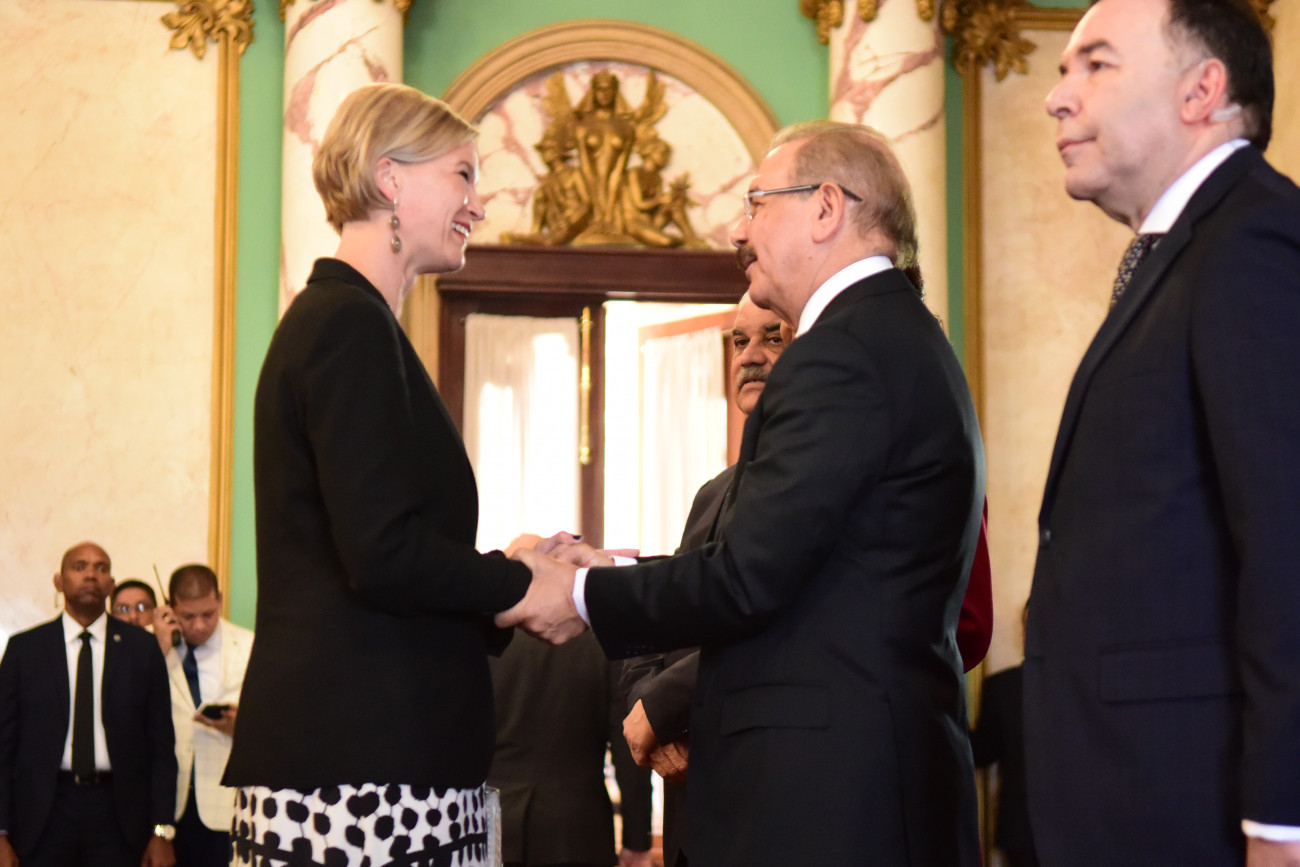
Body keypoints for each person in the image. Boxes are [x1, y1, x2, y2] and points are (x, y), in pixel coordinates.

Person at [501, 120, 985, 866]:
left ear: (826, 208)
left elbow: (746, 577)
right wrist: (610, 568)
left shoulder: (842, 352)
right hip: (858, 785)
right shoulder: (890, 334)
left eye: (757, 203)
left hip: (836, 800)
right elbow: (794, 562)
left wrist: (580, 593)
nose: (737, 229)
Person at [222, 83, 531, 867]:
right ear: (389, 177)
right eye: (463, 174)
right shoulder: (347, 325)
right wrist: (521, 584)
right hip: (358, 776)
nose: (479, 204)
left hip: (370, 764)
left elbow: (378, 550)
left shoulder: (356, 323)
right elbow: (384, 552)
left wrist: (509, 575)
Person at [1025, 0, 1300, 863]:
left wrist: (1283, 821)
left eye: (1096, 64)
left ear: (1200, 91)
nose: (1058, 96)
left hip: (1199, 812)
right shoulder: (1182, 252)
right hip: (1132, 795)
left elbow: (1288, 544)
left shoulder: (1254, 238)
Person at [0, 542, 177, 867]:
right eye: (79, 567)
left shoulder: (142, 649)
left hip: (120, 817)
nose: (91, 575)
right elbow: (3, 746)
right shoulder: (24, 650)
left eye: (101, 568)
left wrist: (162, 831)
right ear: (59, 582)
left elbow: (162, 748)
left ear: (111, 585)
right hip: (42, 815)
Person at [152, 564, 252, 867]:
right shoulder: (151, 646)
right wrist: (158, 650)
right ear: (170, 608)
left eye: (208, 614)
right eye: (188, 616)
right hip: (167, 808)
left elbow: (278, 723)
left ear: (219, 599)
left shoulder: (249, 646)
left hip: (226, 806)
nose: (198, 626)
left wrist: (244, 727)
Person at [969, 607, 1036, 867]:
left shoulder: (1080, 687)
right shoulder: (1002, 687)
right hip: (1021, 830)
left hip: (1074, 826)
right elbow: (983, 751)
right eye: (1029, 623)